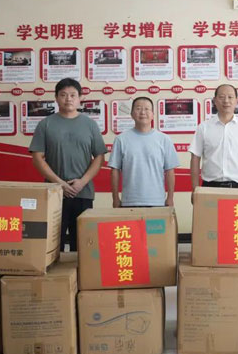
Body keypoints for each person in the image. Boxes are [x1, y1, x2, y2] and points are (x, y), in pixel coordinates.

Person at [30, 77, 107, 251]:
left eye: (73, 95)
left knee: (81, 245)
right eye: (63, 95)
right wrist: (60, 183)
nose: (68, 99)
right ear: (56, 98)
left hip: (83, 192)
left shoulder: (90, 125)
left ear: (80, 98)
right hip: (54, 193)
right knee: (52, 244)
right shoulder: (45, 124)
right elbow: (37, 158)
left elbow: (99, 157)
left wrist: (82, 182)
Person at [189, 84, 238, 196]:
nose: (226, 101)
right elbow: (195, 158)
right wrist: (195, 189)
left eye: (230, 97)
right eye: (221, 97)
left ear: (237, 101)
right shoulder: (204, 127)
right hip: (209, 188)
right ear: (214, 101)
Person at [109, 97, 180, 207]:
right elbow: (115, 170)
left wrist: (170, 198)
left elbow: (170, 170)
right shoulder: (121, 139)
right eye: (138, 108)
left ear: (153, 114)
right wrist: (115, 198)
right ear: (132, 114)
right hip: (130, 202)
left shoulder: (164, 139)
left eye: (147, 109)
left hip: (157, 202)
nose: (142, 112)